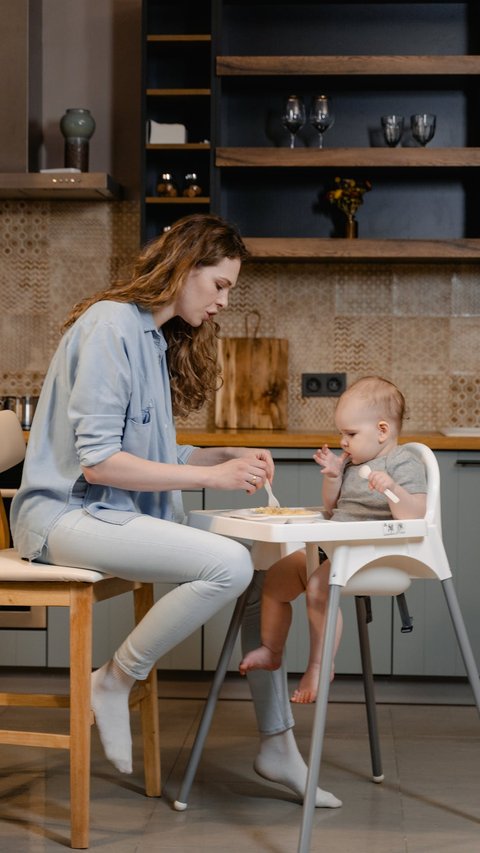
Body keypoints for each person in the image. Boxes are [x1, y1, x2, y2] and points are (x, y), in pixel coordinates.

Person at [11, 213, 275, 776]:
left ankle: (277, 744)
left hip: (111, 512)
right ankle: (114, 678)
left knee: (263, 559)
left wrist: (218, 457)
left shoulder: (151, 338)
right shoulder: (111, 326)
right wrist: (211, 480)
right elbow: (102, 462)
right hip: (64, 515)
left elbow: (157, 455)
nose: (224, 301)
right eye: (220, 285)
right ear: (184, 267)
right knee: (228, 564)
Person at [240, 376, 427, 707]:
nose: (343, 441)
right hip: (335, 546)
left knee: (317, 587)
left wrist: (392, 489)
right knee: (276, 579)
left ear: (382, 431)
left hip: (374, 552)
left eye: (351, 434)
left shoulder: (401, 463)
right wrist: (334, 477)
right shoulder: (354, 464)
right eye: (342, 433)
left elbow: (415, 515)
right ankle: (272, 649)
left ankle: (319, 666)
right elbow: (331, 508)